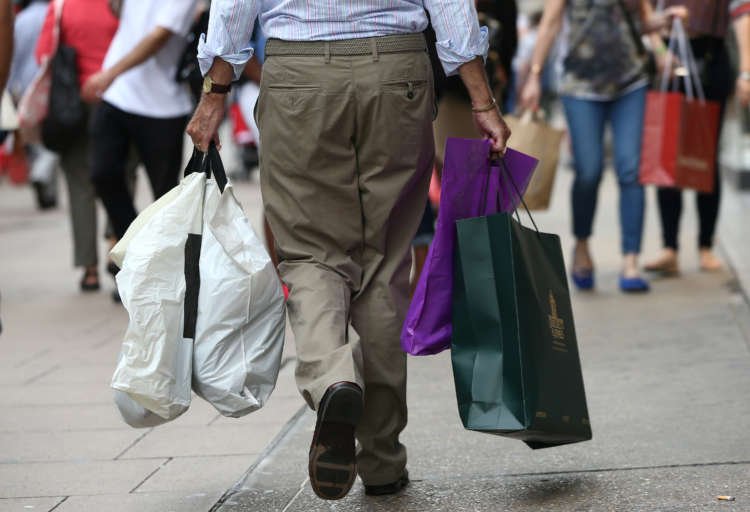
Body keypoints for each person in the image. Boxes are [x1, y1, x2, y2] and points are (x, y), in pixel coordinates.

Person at [188, 0, 510, 501]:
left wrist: (214, 93)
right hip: (397, 72)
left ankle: (334, 378)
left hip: (300, 75)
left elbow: (233, 6)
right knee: (384, 264)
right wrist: (481, 99)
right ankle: (381, 459)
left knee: (310, 254)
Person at [520, 0, 686, 293]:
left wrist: (663, 36)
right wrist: (534, 76)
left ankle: (630, 261)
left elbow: (643, 20)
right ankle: (582, 245)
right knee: (589, 171)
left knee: (630, 169)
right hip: (579, 85)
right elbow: (550, 24)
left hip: (630, 82)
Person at [644, 0, 750, 275]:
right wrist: (659, 48)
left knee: (705, 154)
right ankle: (670, 247)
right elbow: (642, 12)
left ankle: (706, 245)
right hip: (670, 57)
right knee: (666, 153)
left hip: (710, 61)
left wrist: (746, 72)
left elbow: (743, 13)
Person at [83, 0, 198, 242]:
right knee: (102, 172)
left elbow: (158, 37)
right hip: (118, 95)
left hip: (162, 106)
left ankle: (164, 265)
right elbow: (117, 11)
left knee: (165, 196)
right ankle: (133, 245)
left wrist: (109, 74)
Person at [35, 0, 120, 291]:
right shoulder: (120, 5)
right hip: (117, 98)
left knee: (79, 182)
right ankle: (116, 242)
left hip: (74, 104)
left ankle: (89, 269)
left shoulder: (61, 6)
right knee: (120, 174)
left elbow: (42, 54)